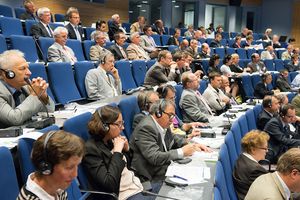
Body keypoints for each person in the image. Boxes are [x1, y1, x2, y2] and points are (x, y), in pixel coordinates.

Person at [83, 106, 158, 200]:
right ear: (105, 126)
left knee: (171, 188)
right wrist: (117, 152)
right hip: (125, 196)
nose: (122, 127)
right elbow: (109, 183)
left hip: (138, 186)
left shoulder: (111, 140)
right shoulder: (91, 150)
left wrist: (127, 150)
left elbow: (127, 167)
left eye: (122, 123)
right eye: (118, 124)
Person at [130, 99, 210, 182]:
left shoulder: (163, 123)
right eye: (170, 115)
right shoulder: (146, 127)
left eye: (173, 116)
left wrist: (192, 144)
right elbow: (154, 157)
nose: (172, 120)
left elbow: (174, 139)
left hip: (163, 168)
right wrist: (182, 151)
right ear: (158, 113)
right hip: (150, 176)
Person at [18, 130, 85, 199]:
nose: (75, 174)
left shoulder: (57, 187)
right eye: (69, 167)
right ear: (46, 167)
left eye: (77, 165)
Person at [0, 50, 55, 128]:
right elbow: (14, 119)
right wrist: (34, 95)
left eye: (27, 68)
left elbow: (50, 110)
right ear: (6, 74)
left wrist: (42, 96)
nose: (29, 73)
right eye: (22, 69)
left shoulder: (25, 86)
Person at [233, 130, 269, 200]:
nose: (267, 151)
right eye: (265, 148)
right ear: (253, 149)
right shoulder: (255, 170)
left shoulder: (242, 158)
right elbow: (269, 191)